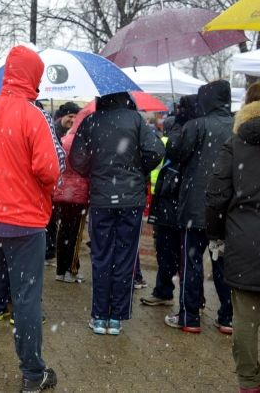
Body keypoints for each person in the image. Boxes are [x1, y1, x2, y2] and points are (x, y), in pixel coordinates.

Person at [0, 45, 63, 391]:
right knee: (26, 300)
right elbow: (49, 170)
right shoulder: (34, 116)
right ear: (33, 76)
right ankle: (33, 374)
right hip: (27, 224)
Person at [69, 92, 164, 336]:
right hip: (130, 198)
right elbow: (156, 152)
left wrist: (96, 171)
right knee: (125, 256)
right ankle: (116, 318)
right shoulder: (136, 120)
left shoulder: (91, 121)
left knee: (101, 256)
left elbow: (76, 158)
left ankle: (100, 316)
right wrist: (136, 171)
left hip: (101, 197)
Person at [206, 80, 260, 393]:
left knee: (245, 318)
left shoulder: (236, 143)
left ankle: (249, 383)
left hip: (245, 240)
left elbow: (217, 195)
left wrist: (215, 236)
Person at [164, 80, 234, 334]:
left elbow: (175, 152)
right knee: (223, 264)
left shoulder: (196, 125)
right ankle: (227, 317)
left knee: (191, 263)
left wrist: (178, 125)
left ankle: (189, 316)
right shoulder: (238, 126)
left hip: (196, 209)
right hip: (227, 210)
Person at [142, 96, 197, 307]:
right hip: (167, 201)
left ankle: (190, 300)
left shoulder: (191, 129)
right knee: (167, 251)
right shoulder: (175, 130)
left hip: (179, 201)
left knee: (182, 255)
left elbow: (175, 151)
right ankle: (165, 291)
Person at [52, 105, 93, 283]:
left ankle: (60, 270)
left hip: (62, 192)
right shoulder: (85, 141)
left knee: (63, 231)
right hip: (79, 193)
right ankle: (72, 270)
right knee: (75, 234)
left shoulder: (64, 139)